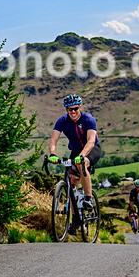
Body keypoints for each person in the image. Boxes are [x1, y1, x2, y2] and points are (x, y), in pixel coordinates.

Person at [49, 94, 103, 234]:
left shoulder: (88, 119)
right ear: (66, 110)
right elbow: (54, 139)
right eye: (69, 109)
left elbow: (91, 141)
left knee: (81, 164)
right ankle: (75, 220)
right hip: (75, 150)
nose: (73, 112)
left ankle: (88, 198)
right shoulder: (62, 120)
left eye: (75, 109)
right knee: (71, 183)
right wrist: (53, 154)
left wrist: (82, 155)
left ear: (80, 107)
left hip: (91, 149)